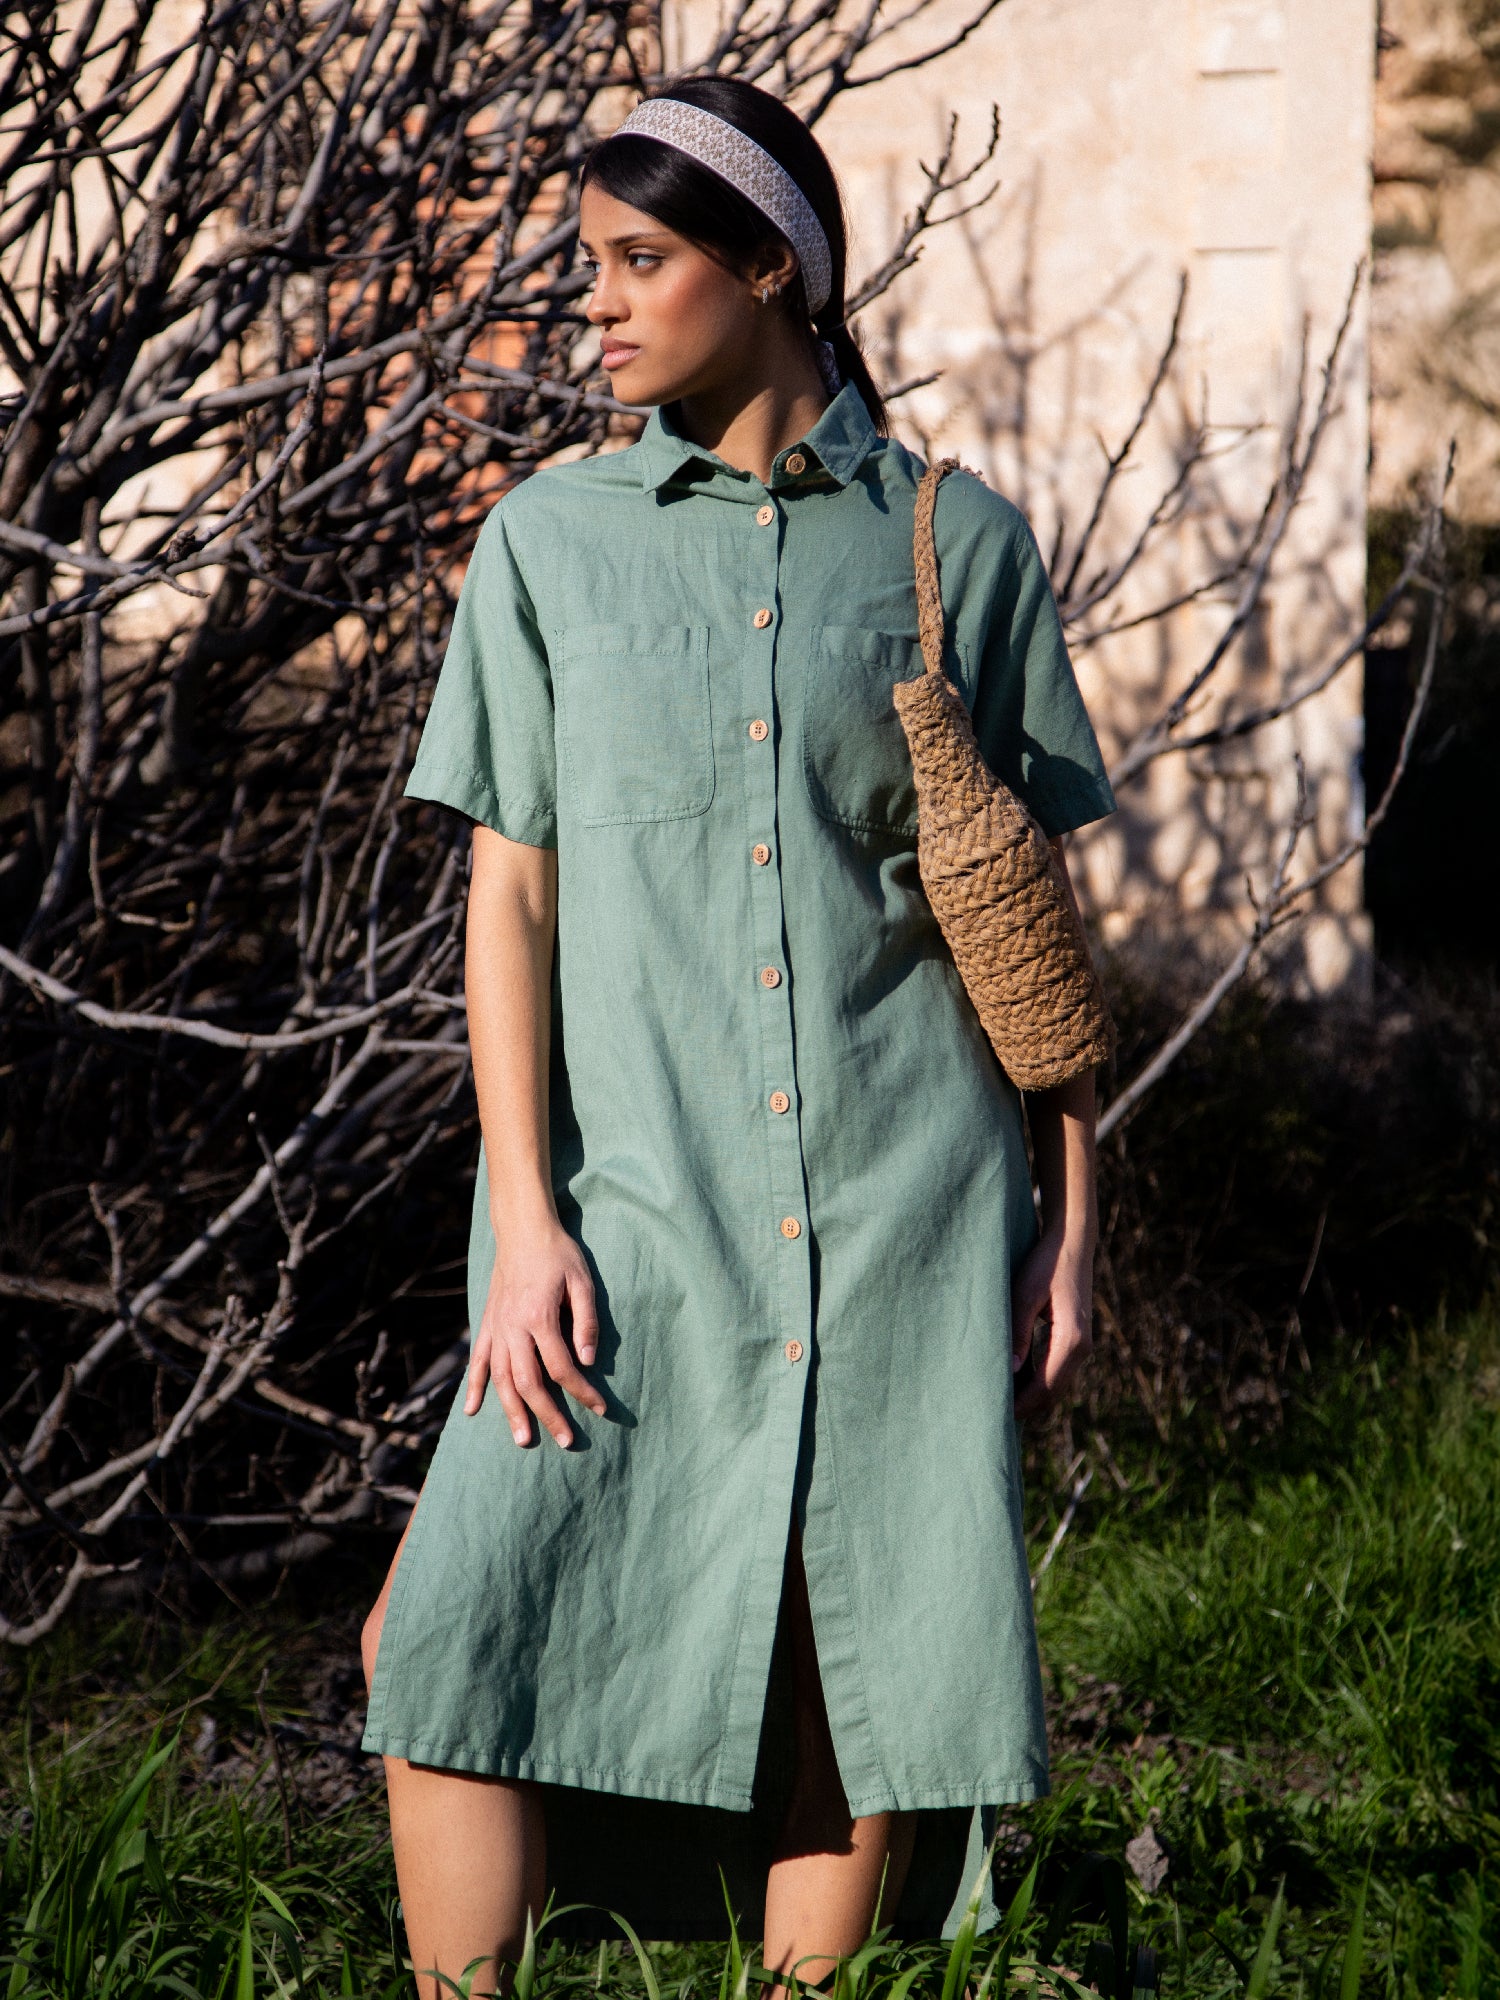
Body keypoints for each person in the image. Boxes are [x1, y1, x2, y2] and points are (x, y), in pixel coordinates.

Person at [360, 74, 1116, 2000]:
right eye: (591, 263)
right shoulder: (548, 544)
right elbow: (512, 903)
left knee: (846, 1677)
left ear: (772, 267)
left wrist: (1072, 1223)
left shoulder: (958, 545)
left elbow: (1027, 934)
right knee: (441, 1646)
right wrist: (523, 1218)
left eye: (640, 261)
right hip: (628, 1210)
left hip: (904, 1208)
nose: (595, 305)